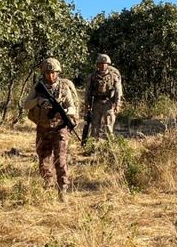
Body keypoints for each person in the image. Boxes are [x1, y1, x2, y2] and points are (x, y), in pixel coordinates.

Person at [24, 57, 79, 200]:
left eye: (54, 72)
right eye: (48, 73)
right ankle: (48, 186)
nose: (51, 76)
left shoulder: (64, 87)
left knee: (60, 161)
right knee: (43, 160)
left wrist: (65, 112)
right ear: (43, 72)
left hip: (60, 128)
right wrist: (38, 101)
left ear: (58, 72)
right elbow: (26, 104)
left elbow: (72, 107)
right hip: (43, 128)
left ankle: (63, 190)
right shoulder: (38, 87)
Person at [84, 54, 123, 140]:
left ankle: (110, 146)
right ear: (97, 64)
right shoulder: (92, 77)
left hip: (108, 103)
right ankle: (94, 145)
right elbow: (87, 92)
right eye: (100, 63)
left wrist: (117, 104)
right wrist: (87, 106)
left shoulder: (113, 76)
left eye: (105, 63)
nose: (102, 65)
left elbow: (118, 91)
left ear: (108, 64)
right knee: (94, 126)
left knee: (108, 126)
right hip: (96, 103)